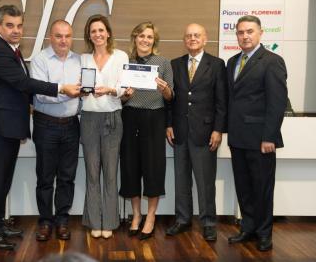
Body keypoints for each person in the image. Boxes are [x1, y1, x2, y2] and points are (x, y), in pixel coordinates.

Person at [0, 5, 79, 250]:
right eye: (10, 25)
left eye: (19, 25)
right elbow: (23, 82)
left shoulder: (13, 50)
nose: (16, 30)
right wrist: (60, 88)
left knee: (2, 181)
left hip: (7, 128)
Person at [226, 15, 287, 251]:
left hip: (261, 140)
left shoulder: (272, 61)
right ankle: (248, 228)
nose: (245, 36)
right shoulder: (232, 62)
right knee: (244, 187)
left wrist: (269, 137)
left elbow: (277, 103)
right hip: (238, 137)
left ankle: (264, 233)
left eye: (250, 31)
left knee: (262, 188)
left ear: (260, 33)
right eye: (240, 32)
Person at [165, 24, 227, 241]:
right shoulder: (175, 64)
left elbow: (222, 102)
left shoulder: (217, 65)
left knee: (205, 181)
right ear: (184, 40)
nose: (192, 38)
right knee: (181, 180)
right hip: (180, 132)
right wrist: (169, 124)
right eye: (189, 35)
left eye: (196, 35)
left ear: (205, 39)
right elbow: (171, 100)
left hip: (206, 132)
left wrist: (218, 129)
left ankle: (209, 222)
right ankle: (182, 220)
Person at [119, 21, 173, 240]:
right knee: (130, 167)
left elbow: (171, 97)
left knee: (153, 168)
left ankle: (150, 217)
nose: (145, 40)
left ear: (154, 41)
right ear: (135, 38)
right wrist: (125, 96)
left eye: (149, 37)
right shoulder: (126, 62)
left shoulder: (163, 63)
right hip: (130, 117)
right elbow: (120, 97)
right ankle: (136, 216)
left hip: (154, 118)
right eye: (141, 36)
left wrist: (165, 89)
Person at [30, 20, 81, 241]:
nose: (63, 40)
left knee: (67, 177)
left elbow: (84, 90)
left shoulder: (79, 60)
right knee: (45, 177)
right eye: (59, 36)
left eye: (67, 36)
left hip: (72, 125)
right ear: (51, 37)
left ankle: (62, 220)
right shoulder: (40, 60)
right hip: (45, 125)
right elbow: (40, 94)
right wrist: (67, 92)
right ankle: (45, 221)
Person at [80, 14, 129, 239]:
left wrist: (110, 90)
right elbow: (79, 88)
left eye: (101, 30)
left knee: (110, 173)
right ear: (89, 36)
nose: (97, 34)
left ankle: (109, 220)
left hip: (112, 118)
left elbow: (125, 88)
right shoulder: (82, 59)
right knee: (92, 172)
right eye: (93, 31)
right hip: (89, 118)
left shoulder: (121, 56)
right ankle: (93, 220)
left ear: (108, 32)